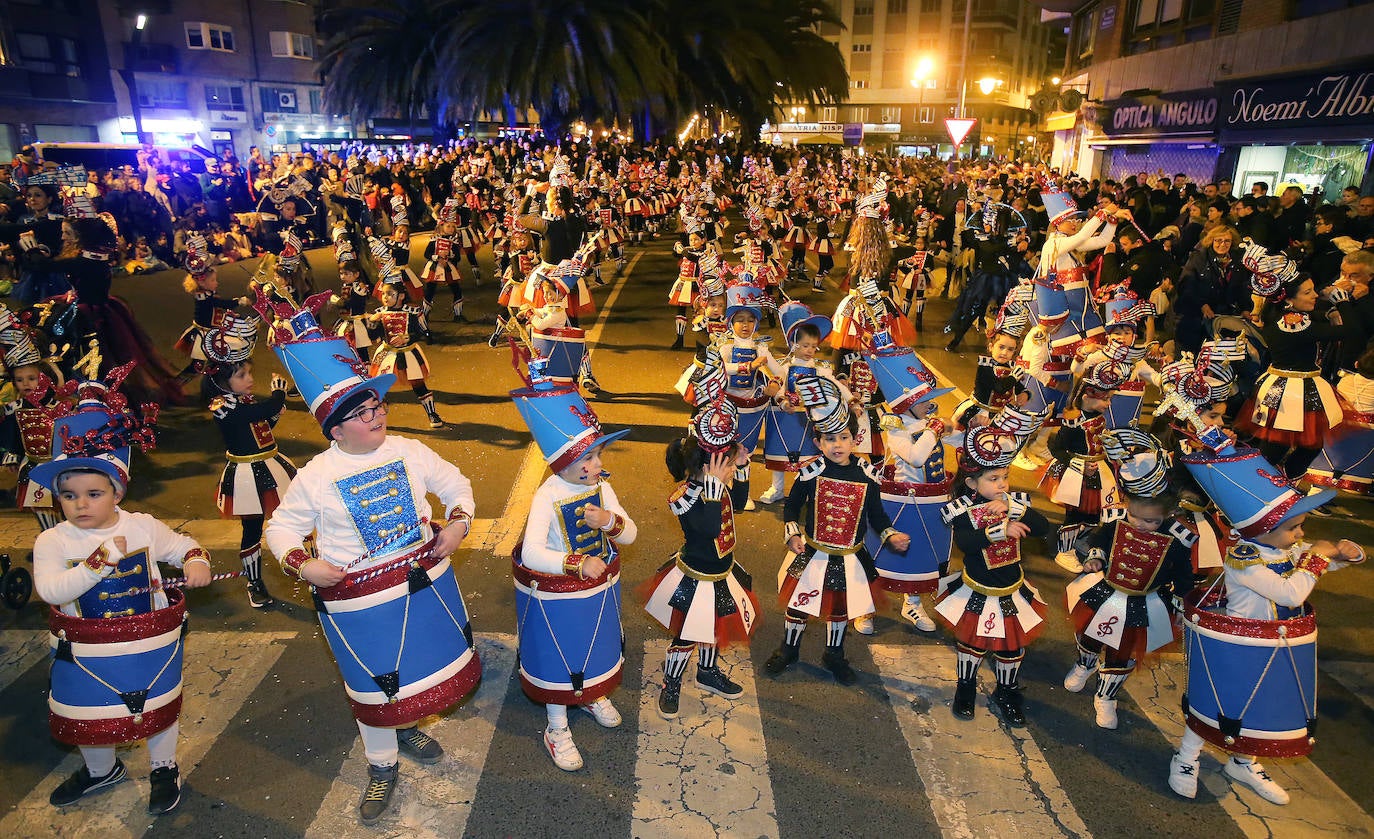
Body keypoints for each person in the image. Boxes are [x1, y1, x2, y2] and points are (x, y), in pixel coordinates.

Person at [261, 294, 480, 825]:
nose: (377, 416)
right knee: (374, 682)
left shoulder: (407, 449)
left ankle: (404, 725)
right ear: (334, 429)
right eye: (362, 413)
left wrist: (458, 522)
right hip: (358, 601)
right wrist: (301, 563)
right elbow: (280, 528)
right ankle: (382, 760)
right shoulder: (316, 473)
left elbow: (456, 485)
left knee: (415, 671)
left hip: (421, 582)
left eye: (378, 407)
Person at [31, 364, 210, 815]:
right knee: (87, 713)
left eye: (94, 493)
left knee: (156, 706)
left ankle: (164, 767)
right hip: (85, 648)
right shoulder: (52, 540)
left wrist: (197, 560)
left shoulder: (142, 527)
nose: (81, 504)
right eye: (69, 495)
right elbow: (52, 590)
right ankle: (100, 771)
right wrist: (98, 563)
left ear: (117, 492)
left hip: (145, 641)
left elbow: (184, 546)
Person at [1168, 434, 1365, 805]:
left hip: (1274, 641)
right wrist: (1318, 559)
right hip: (1238, 643)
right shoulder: (1245, 561)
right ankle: (1186, 757)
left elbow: (1315, 565)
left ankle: (1244, 761)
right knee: (1216, 701)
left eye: (1301, 527)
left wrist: (1342, 555)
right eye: (1294, 528)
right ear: (1263, 530)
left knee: (1254, 708)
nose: (1301, 534)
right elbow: (1292, 592)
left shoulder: (1286, 548)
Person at [510, 357, 636, 770]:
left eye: (598, 456)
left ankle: (593, 694)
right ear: (562, 463)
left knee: (593, 646)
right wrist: (576, 563)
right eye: (589, 459)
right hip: (556, 593)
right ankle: (556, 724)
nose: (597, 465)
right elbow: (530, 553)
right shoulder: (547, 494)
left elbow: (630, 534)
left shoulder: (602, 487)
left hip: (597, 589)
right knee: (558, 657)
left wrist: (611, 522)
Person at [768, 386, 910, 685]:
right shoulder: (810, 472)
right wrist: (792, 534)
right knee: (798, 604)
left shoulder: (867, 474)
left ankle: (834, 655)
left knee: (840, 609)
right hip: (813, 553)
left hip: (850, 556)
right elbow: (792, 507)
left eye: (844, 437)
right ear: (818, 442)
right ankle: (789, 649)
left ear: (855, 439)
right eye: (830, 439)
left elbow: (877, 515)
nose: (838, 444)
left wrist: (891, 535)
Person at [1062, 430, 1196, 729]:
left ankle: (1106, 696)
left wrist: (1186, 598)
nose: (1141, 525)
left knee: (1122, 652)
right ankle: (1084, 665)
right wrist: (1094, 557)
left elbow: (1183, 572)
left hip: (1143, 603)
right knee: (1091, 634)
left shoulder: (1177, 538)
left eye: (1151, 521)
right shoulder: (1117, 519)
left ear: (1169, 513)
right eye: (1135, 517)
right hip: (1107, 592)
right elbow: (1097, 537)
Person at [935, 405, 1052, 724]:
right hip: (978, 587)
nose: (1002, 483)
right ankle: (965, 688)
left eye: (1005, 476)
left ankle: (1007, 691)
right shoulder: (963, 508)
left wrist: (1016, 509)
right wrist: (998, 528)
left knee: (1011, 648)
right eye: (994, 478)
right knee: (971, 643)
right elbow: (966, 544)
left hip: (1011, 588)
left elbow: (1043, 528)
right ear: (973, 484)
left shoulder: (1011, 502)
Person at [647, 396, 758, 719]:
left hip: (723, 570)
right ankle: (671, 682)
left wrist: (743, 471)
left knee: (713, 626)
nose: (731, 465)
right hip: (696, 575)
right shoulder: (684, 496)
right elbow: (709, 529)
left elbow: (737, 503)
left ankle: (707, 673)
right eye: (728, 460)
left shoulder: (717, 484)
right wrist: (713, 487)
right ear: (706, 465)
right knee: (687, 634)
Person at [1234, 241, 1357, 480]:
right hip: (1292, 392)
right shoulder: (1297, 326)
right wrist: (1342, 303)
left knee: (1284, 445)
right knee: (1281, 447)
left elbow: (1314, 320)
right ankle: (1265, 484)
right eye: (1308, 292)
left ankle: (1272, 483)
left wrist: (1327, 312)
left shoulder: (1283, 319)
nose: (1315, 295)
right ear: (1290, 299)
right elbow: (1349, 331)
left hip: (1284, 387)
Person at [201, 320, 295, 609]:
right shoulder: (224, 406)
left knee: (300, 513)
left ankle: (309, 563)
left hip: (272, 464)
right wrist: (278, 395)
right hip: (246, 474)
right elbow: (258, 413)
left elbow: (262, 423)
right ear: (222, 381)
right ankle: (254, 583)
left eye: (249, 372)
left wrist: (275, 412)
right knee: (252, 529)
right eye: (242, 375)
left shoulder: (243, 400)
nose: (249, 379)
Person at [369, 280, 446, 429]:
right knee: (378, 386)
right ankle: (377, 417)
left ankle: (432, 414)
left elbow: (421, 333)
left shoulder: (412, 313)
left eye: (390, 294)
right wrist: (372, 322)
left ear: (401, 296)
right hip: (386, 353)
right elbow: (373, 336)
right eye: (383, 294)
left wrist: (407, 337)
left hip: (408, 352)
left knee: (418, 384)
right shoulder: (379, 313)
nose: (386, 297)